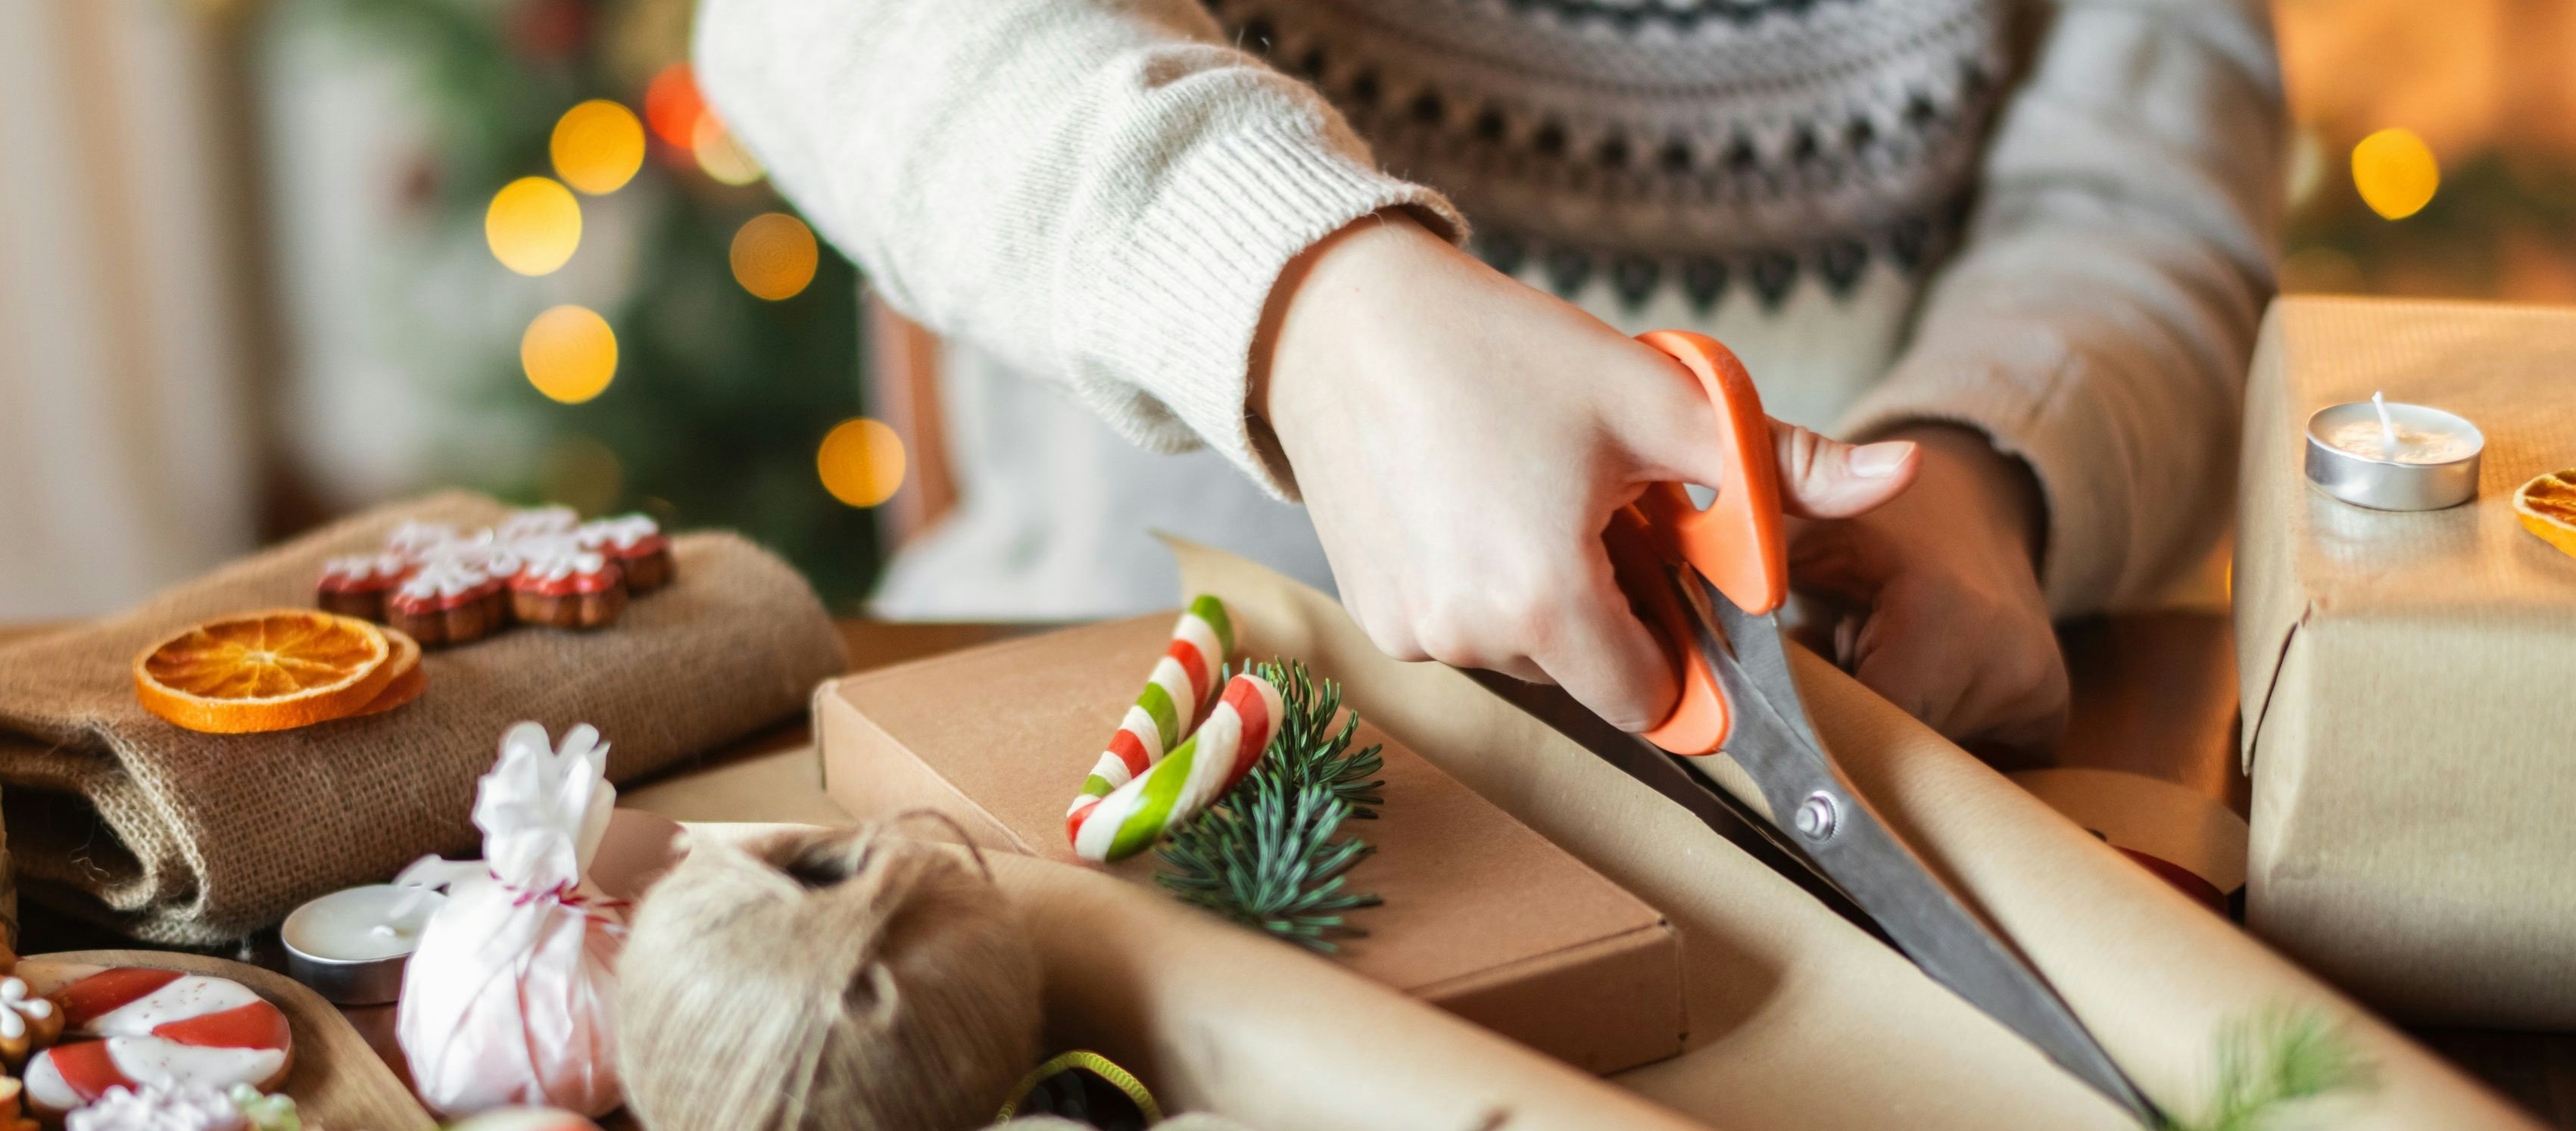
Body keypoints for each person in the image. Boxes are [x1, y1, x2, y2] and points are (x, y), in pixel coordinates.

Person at [697, 0, 2282, 749]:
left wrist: (1985, 462)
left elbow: (2137, 207)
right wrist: (1306, 298)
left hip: (1830, 736)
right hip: (1103, 692)